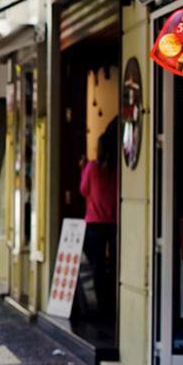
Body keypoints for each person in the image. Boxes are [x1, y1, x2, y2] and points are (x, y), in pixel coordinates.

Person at [80, 120, 119, 325]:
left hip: (95, 223)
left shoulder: (92, 168)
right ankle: (114, 304)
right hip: (114, 223)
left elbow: (83, 190)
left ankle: (101, 306)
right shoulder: (118, 170)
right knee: (114, 265)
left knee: (97, 266)